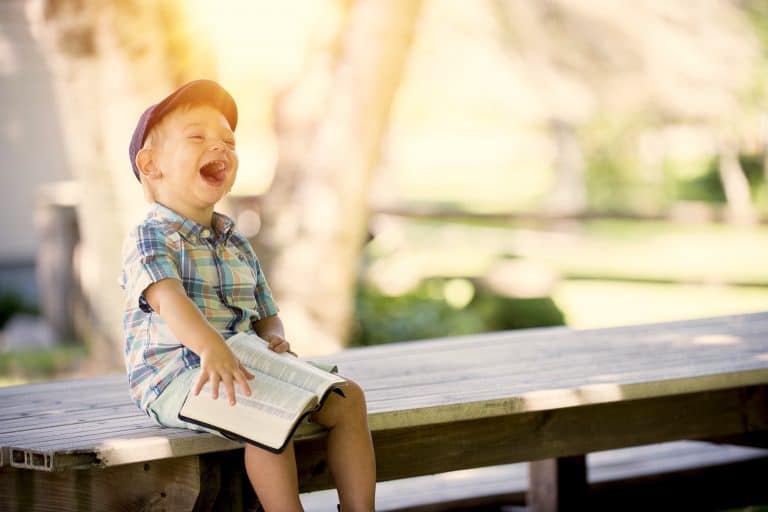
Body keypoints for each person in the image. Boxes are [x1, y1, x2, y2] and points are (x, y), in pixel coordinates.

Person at [119, 79, 376, 511]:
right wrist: (211, 347)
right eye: (197, 136)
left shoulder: (232, 237)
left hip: (243, 359)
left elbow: (264, 311)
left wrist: (273, 335)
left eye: (228, 141)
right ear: (151, 164)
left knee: (348, 398)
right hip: (178, 375)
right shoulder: (150, 235)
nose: (219, 147)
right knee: (267, 417)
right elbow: (169, 300)